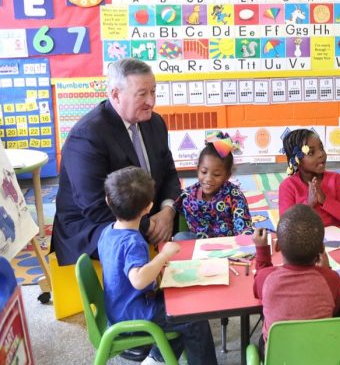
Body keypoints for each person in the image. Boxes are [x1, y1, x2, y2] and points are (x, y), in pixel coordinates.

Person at [53, 58, 179, 266]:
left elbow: (169, 173)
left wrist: (168, 211)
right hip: (94, 226)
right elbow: (94, 206)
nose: (151, 101)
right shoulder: (87, 136)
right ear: (115, 95)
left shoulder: (155, 123)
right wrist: (146, 225)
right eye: (142, 94)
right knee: (131, 241)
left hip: (145, 213)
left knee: (195, 219)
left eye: (153, 92)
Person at [97, 167, 216, 365]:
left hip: (119, 307)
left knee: (180, 308)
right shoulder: (133, 242)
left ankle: (156, 359)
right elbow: (138, 279)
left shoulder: (107, 232)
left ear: (108, 200)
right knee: (194, 319)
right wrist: (163, 256)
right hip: (134, 313)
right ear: (148, 207)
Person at [252, 204, 340, 347]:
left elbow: (258, 287)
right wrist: (327, 270)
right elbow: (334, 309)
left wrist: (262, 250)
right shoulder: (331, 279)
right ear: (322, 248)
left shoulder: (266, 277)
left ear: (277, 246)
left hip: (278, 358)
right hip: (319, 355)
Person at [173, 131, 253, 239]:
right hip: (198, 246)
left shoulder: (235, 196)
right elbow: (182, 230)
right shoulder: (187, 196)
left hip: (228, 245)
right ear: (197, 170)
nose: (208, 179)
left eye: (216, 174)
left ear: (227, 176)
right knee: (180, 237)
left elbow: (243, 228)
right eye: (204, 172)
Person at [279, 128, 340, 227]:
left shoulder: (335, 179)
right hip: (303, 241)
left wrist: (324, 200)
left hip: (336, 240)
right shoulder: (288, 186)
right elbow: (285, 225)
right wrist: (309, 204)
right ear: (297, 161)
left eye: (321, 148)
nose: (321, 154)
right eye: (311, 152)